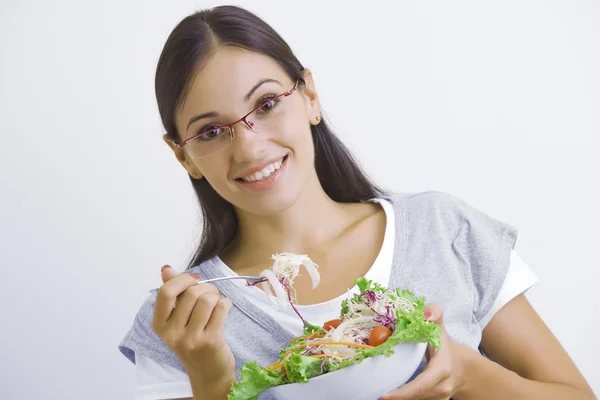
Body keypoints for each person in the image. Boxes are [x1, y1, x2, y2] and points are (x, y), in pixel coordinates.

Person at [118, 5, 595, 400]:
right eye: (212, 131)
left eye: (266, 105)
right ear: (184, 156)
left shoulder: (442, 230)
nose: (249, 148)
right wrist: (210, 381)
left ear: (309, 95)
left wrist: (469, 375)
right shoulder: (180, 326)